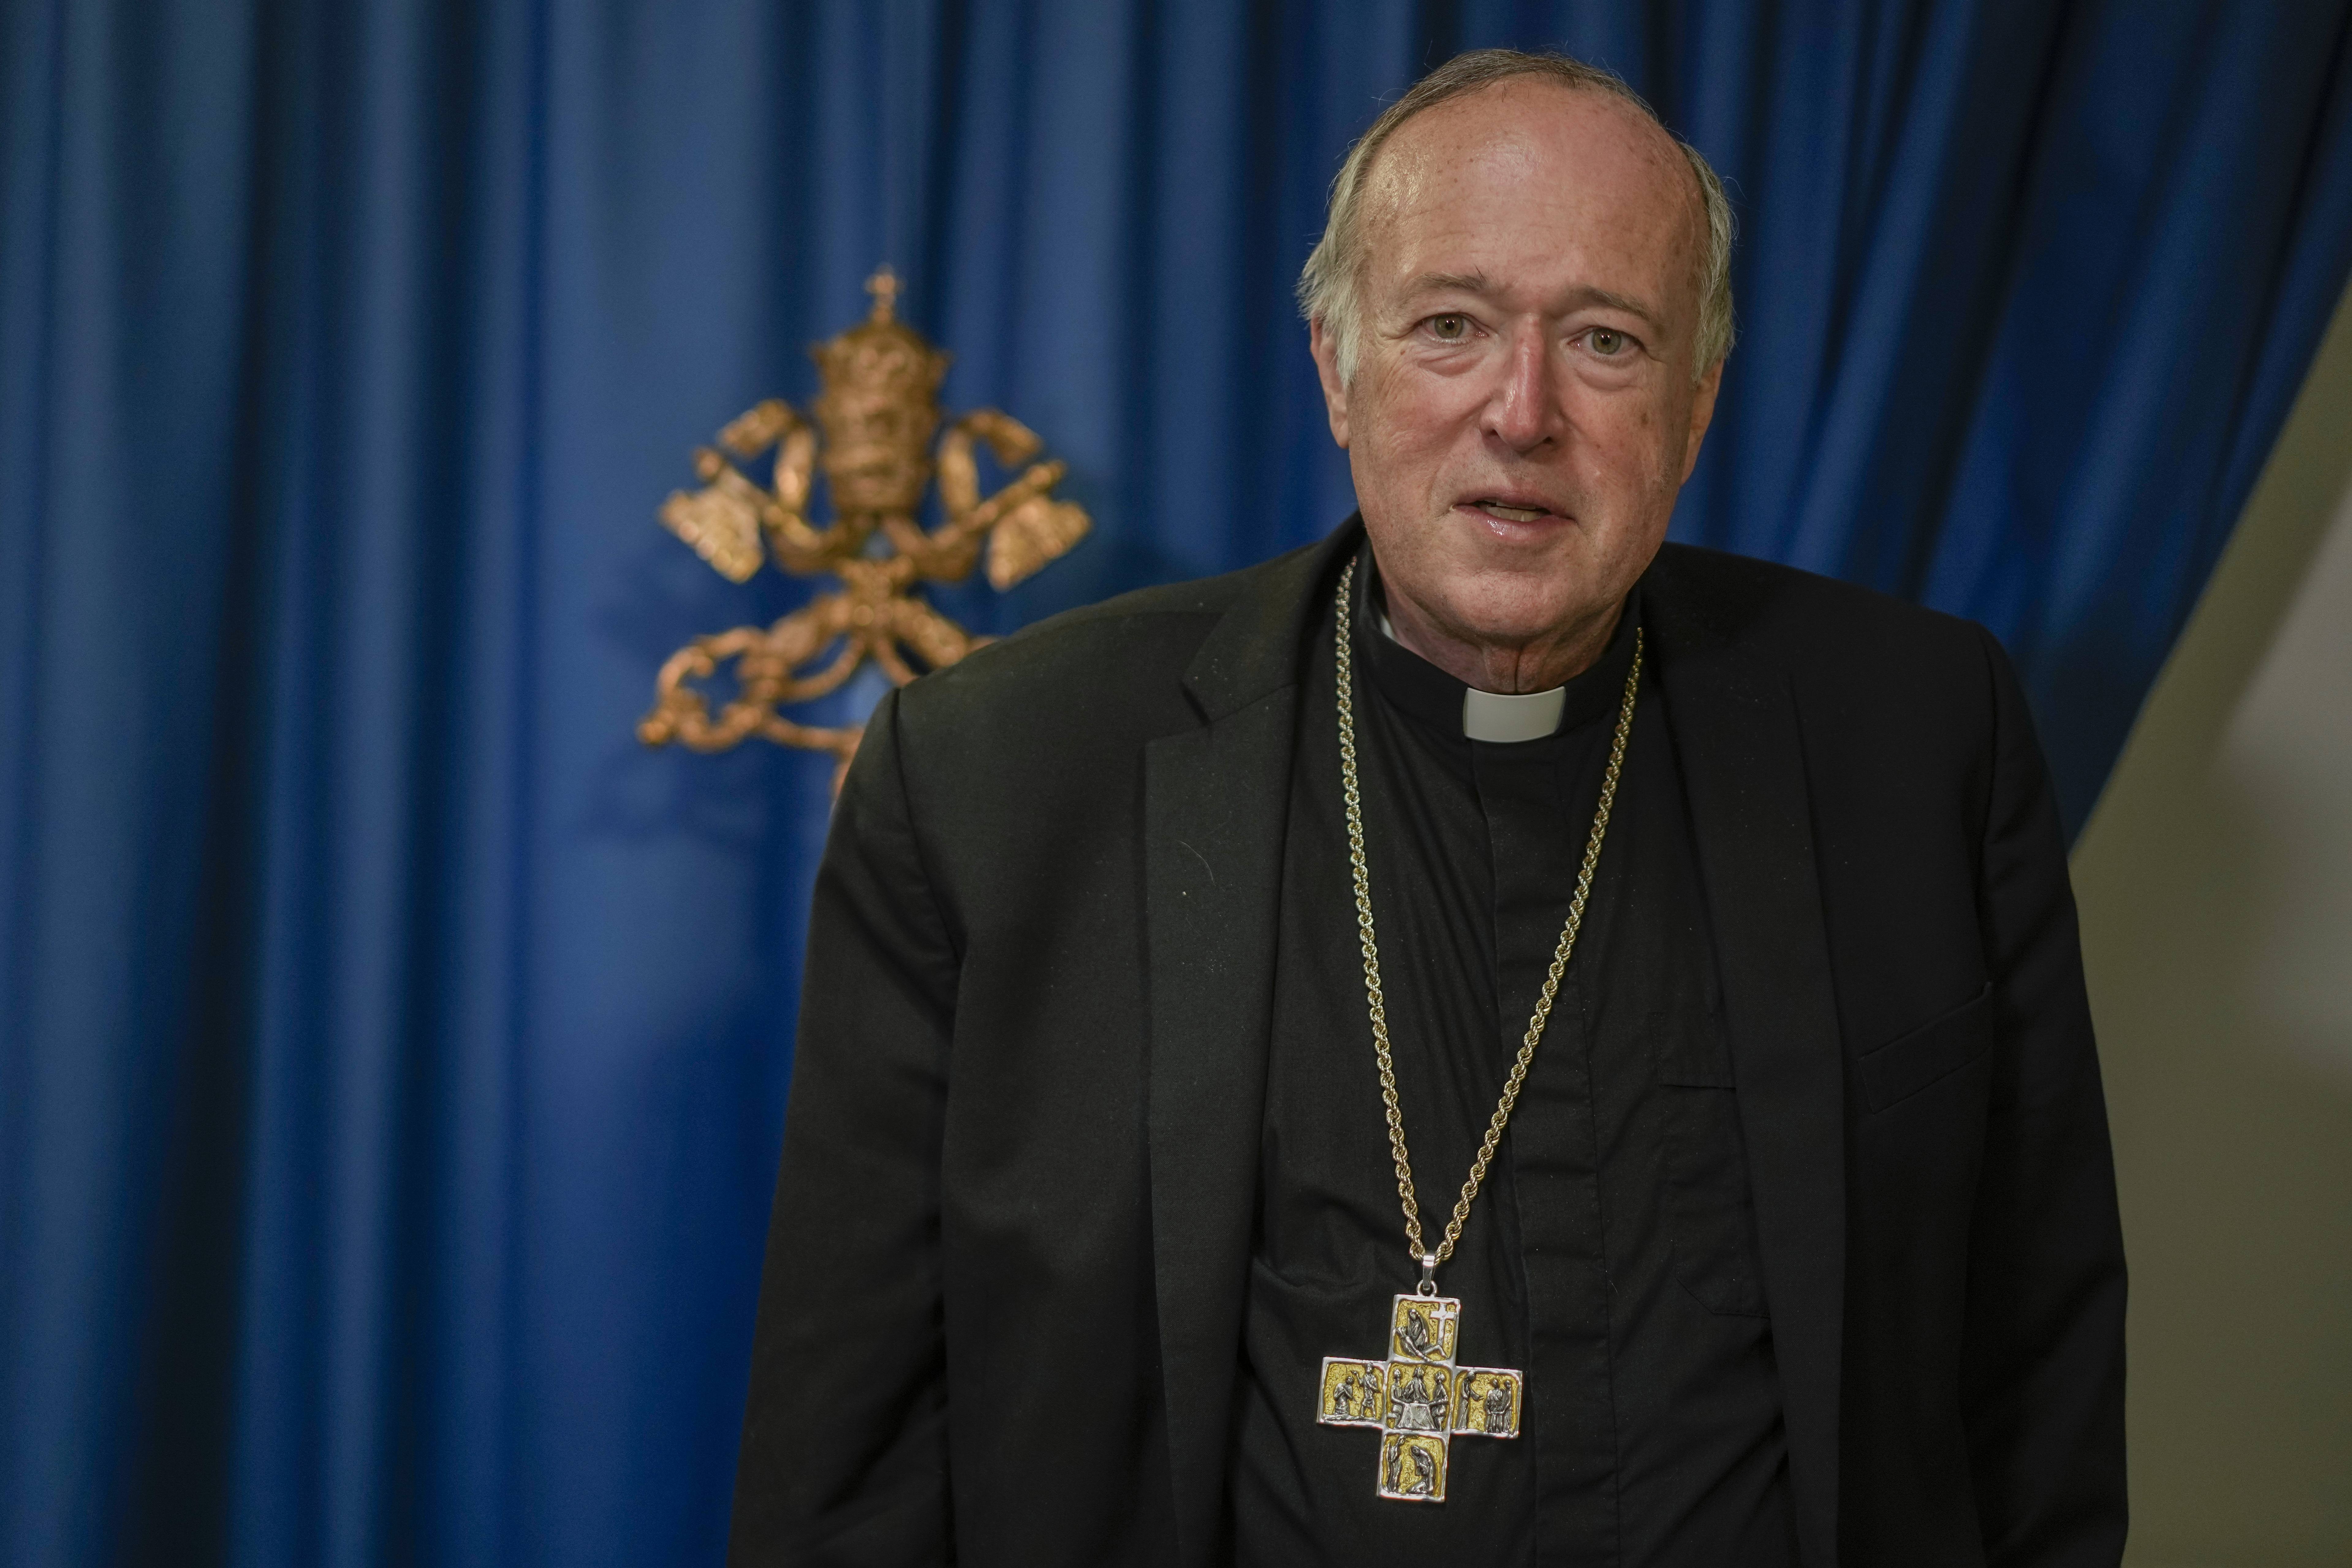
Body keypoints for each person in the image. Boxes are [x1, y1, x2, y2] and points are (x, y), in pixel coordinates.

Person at [727, 47, 2126, 1568]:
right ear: (1338, 368)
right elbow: (848, 1450)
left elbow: (2037, 1358)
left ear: (1697, 404)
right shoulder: (999, 779)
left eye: (1605, 339)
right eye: (1451, 325)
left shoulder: (1917, 741)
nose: (1521, 413)